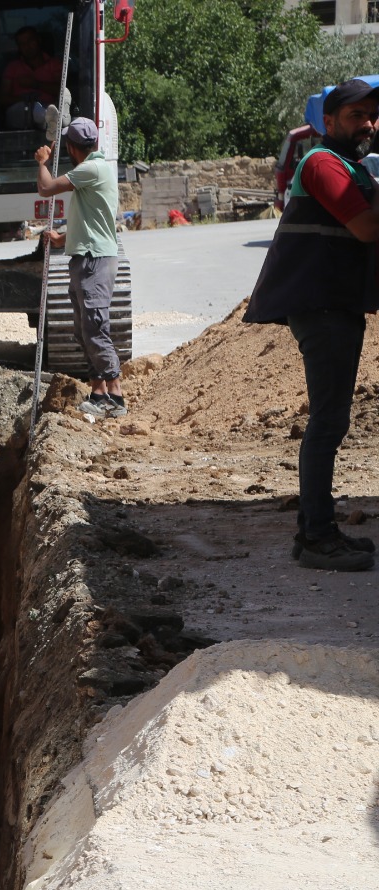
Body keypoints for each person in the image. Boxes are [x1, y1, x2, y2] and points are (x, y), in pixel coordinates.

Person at [244, 78, 379, 572]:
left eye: (371, 115)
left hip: (336, 304)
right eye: (354, 116)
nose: (365, 123)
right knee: (328, 424)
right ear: (328, 122)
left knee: (331, 421)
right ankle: (319, 536)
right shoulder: (322, 163)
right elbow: (365, 227)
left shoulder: (353, 167)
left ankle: (312, 531)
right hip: (321, 306)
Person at [35, 117, 122, 416]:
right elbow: (90, 221)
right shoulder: (95, 171)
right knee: (86, 329)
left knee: (95, 327)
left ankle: (115, 398)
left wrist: (43, 162)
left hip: (94, 260)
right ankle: (98, 393)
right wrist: (61, 240)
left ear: (72, 148)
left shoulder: (91, 169)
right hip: (88, 255)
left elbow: (46, 188)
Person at [1, 26, 63, 131]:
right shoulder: (12, 67)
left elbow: (62, 91)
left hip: (49, 112)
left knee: (48, 113)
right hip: (19, 113)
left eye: (30, 41)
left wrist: (35, 84)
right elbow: (2, 99)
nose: (27, 47)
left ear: (38, 40)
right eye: (22, 44)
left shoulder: (55, 64)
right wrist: (26, 100)